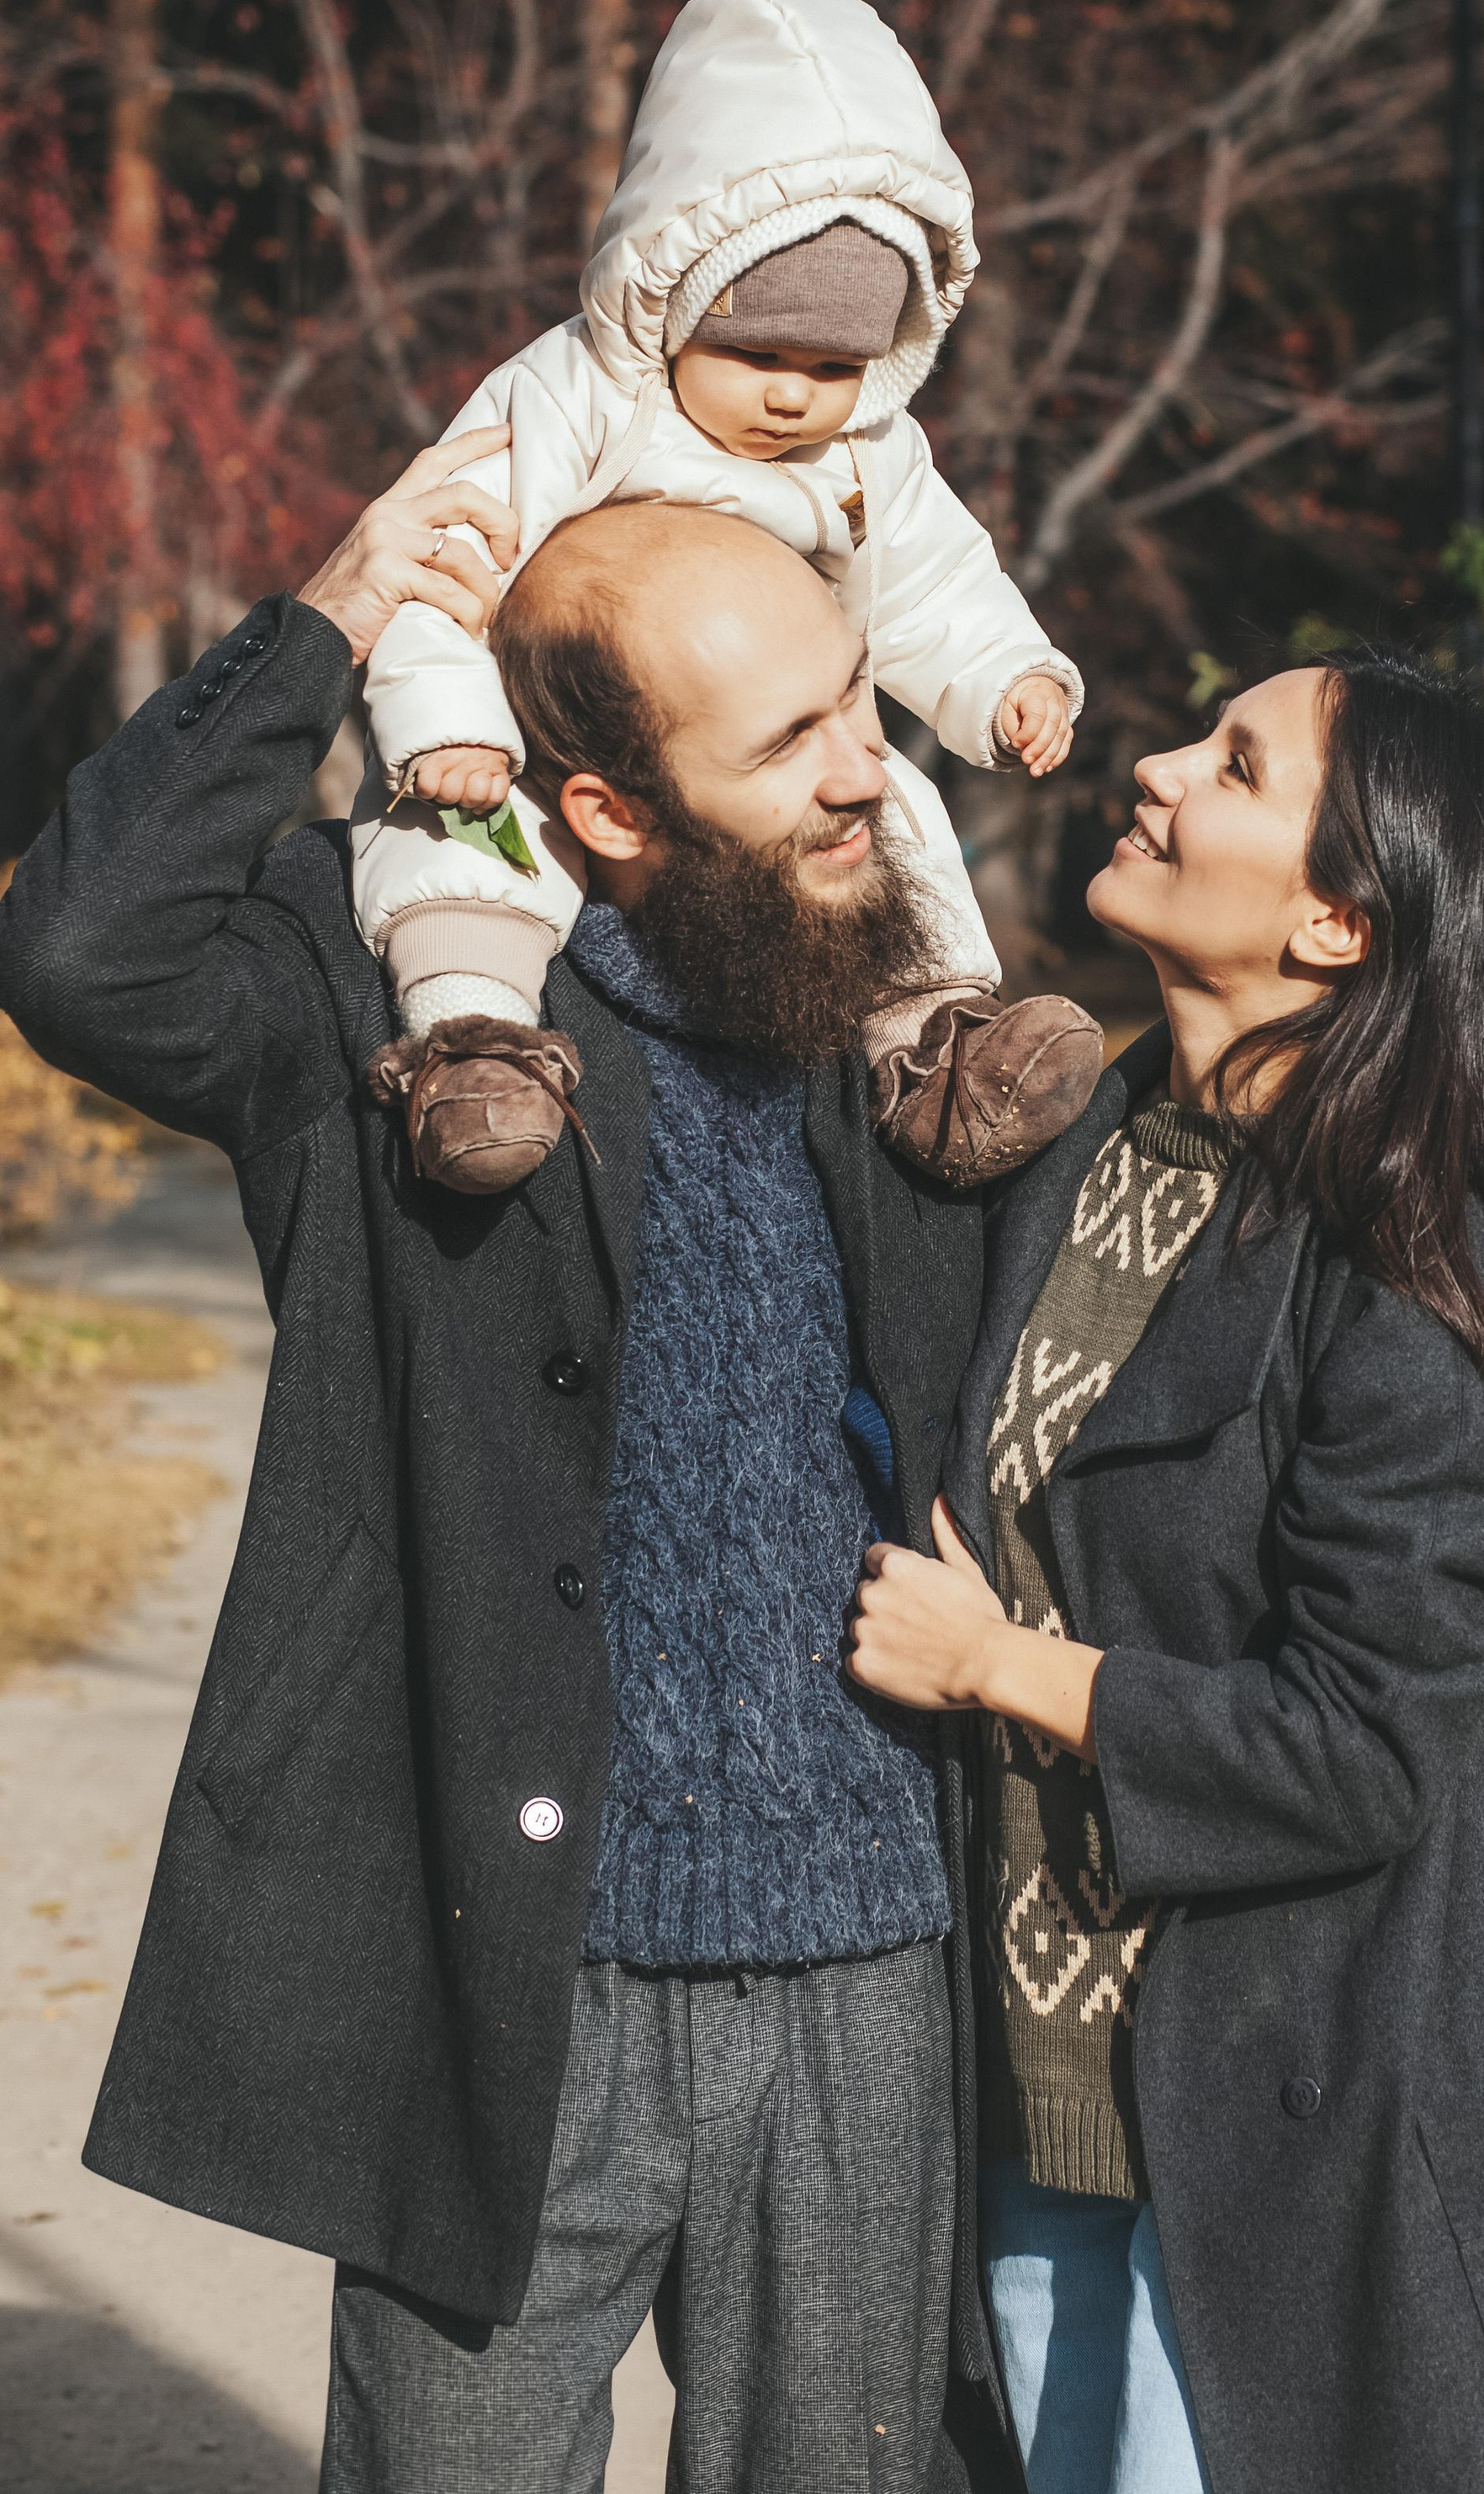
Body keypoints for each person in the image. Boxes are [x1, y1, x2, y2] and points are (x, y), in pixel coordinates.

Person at [0, 458, 1014, 2494]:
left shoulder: (920, 1033)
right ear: (608, 814)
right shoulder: (388, 993)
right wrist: (330, 623)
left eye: (855, 702)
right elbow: (84, 951)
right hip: (504, 1979)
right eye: (794, 738)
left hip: (868, 1970)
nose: (866, 775)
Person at [847, 650, 1484, 2494]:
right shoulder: (1090, 1149)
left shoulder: (1431, 1260)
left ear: (1342, 925)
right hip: (1043, 2110)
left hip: (1291, 2124)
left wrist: (1000, 1671)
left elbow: (1366, 1745)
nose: (1151, 768)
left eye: (1231, 765)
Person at [352, 0, 1098, 1199]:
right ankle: (473, 1043)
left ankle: (939, 1049)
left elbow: (933, 579)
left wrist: (1006, 673)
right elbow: (444, 559)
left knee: (890, 820)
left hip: (776, 738)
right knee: (462, 842)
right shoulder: (570, 399)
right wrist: (446, 725)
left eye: (836, 364)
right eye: (757, 354)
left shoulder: (867, 452)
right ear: (675, 297)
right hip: (538, 722)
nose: (795, 396)